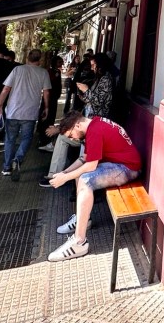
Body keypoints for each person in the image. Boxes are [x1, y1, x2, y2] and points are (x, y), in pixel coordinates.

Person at [46, 112, 142, 262]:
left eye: (71, 135)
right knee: (79, 175)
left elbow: (90, 166)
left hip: (128, 169)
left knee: (85, 180)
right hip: (119, 164)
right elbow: (84, 159)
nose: (73, 139)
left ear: (77, 125)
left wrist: (65, 178)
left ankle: (79, 242)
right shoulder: (94, 124)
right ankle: (83, 219)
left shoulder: (95, 131)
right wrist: (64, 172)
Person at [0, 48, 50, 181]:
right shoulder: (43, 73)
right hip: (30, 112)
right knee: (26, 138)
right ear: (40, 59)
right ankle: (18, 159)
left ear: (27, 58)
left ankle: (7, 167)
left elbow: (6, 89)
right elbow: (47, 92)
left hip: (13, 111)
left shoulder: (17, 70)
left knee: (10, 139)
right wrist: (46, 107)